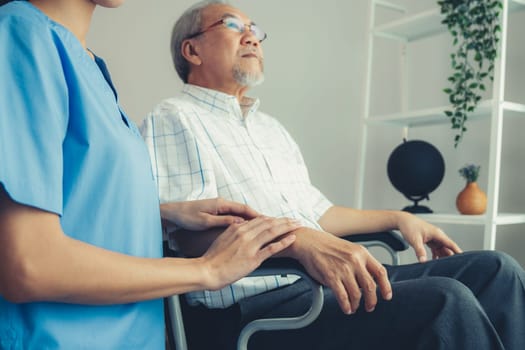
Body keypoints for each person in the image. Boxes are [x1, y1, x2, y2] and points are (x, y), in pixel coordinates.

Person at [140, 1, 525, 349]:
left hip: (323, 283)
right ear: (192, 50)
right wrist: (297, 243)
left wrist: (398, 217)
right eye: (233, 26)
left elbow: (319, 214)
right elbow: (191, 238)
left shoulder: (270, 129)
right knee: (445, 301)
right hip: (259, 306)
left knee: (496, 271)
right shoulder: (175, 118)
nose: (252, 38)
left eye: (256, 30)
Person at [0, 0, 301, 348]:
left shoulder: (87, 64)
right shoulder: (21, 37)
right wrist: (207, 270)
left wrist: (158, 216)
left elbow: (77, 200)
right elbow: (29, 264)